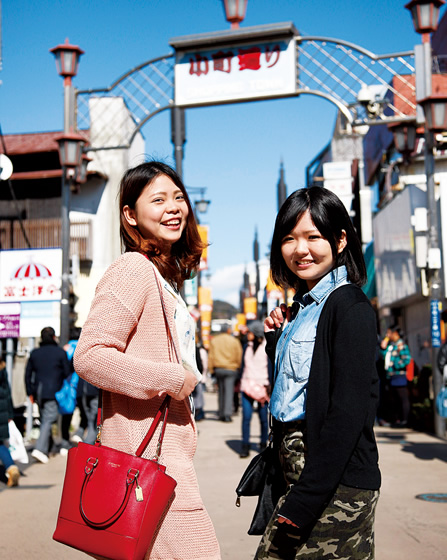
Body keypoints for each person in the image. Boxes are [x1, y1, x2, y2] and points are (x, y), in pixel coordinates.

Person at [74, 161, 220, 560]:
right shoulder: (133, 269)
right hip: (146, 462)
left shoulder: (163, 278)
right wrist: (172, 377)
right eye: (158, 200)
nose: (174, 207)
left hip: (162, 460)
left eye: (178, 197)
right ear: (130, 215)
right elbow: (89, 356)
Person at [255, 187, 381, 559]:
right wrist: (276, 341)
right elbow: (292, 390)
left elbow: (347, 413)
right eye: (290, 238)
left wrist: (307, 497)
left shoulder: (350, 307)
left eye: (313, 237)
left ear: (341, 239)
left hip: (334, 485)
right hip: (302, 478)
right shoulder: (302, 307)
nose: (300, 249)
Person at [25, 326, 71, 464]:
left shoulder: (35, 353)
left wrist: (29, 392)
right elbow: (67, 371)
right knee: (48, 419)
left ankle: (48, 447)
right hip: (54, 391)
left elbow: (27, 375)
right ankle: (40, 449)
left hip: (38, 392)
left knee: (45, 418)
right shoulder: (59, 352)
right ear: (53, 337)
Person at [239, 320, 271, 458]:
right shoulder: (246, 346)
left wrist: (271, 384)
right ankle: (245, 446)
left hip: (262, 386)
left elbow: (270, 367)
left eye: (250, 332)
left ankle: (263, 444)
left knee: (264, 419)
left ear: (256, 333)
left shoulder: (267, 347)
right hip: (246, 386)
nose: (248, 334)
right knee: (246, 417)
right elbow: (242, 366)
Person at [208, 324, 243, 422]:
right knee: (229, 392)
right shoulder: (234, 341)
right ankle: (227, 414)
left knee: (221, 392)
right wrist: (238, 368)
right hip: (231, 369)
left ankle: (221, 413)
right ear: (228, 330)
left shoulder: (214, 340)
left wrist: (211, 369)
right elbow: (239, 355)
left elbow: (211, 356)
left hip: (218, 368)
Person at [380, 325, 411, 427]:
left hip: (399, 376)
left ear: (395, 334)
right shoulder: (392, 345)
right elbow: (385, 357)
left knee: (402, 398)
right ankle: (396, 419)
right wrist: (383, 348)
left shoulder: (401, 345)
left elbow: (407, 359)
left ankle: (404, 420)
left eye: (389, 333)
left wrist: (396, 365)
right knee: (394, 399)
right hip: (391, 376)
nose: (388, 335)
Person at [0, 358, 20, 487]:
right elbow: (7, 394)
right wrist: (10, 414)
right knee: (0, 443)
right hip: (2, 412)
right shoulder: (2, 368)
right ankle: (11, 467)